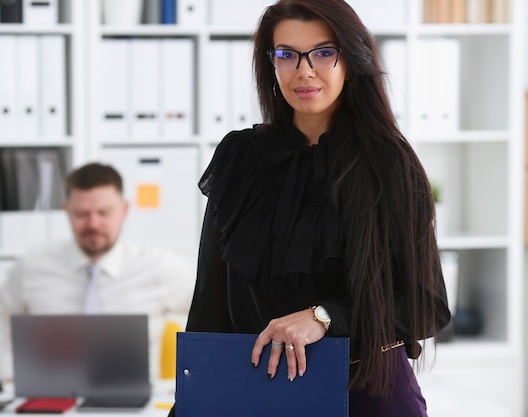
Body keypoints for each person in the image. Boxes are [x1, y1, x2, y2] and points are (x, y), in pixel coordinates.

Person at [169, 0, 451, 416]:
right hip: (257, 392)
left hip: (367, 394)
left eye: (323, 53)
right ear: (272, 64)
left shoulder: (389, 163)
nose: (304, 70)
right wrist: (191, 401)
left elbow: (428, 305)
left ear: (351, 62)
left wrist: (323, 318)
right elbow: (210, 303)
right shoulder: (240, 157)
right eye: (286, 55)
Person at [0, 162, 195, 380]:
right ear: (67, 210)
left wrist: (194, 376)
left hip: (132, 401)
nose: (93, 223)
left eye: (104, 212)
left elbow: (211, 314)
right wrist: (9, 370)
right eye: (82, 213)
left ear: (124, 210)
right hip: (52, 394)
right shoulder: (33, 265)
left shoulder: (160, 266)